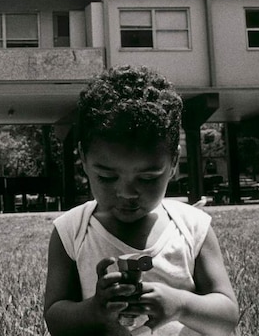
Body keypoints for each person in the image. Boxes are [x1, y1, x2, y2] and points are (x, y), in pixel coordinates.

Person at [44, 65, 239, 336]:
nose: (127, 193)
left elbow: (227, 316)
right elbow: (55, 319)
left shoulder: (192, 228)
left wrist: (180, 304)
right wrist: (95, 309)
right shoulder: (71, 232)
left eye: (147, 179)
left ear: (173, 163)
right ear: (84, 160)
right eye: (107, 177)